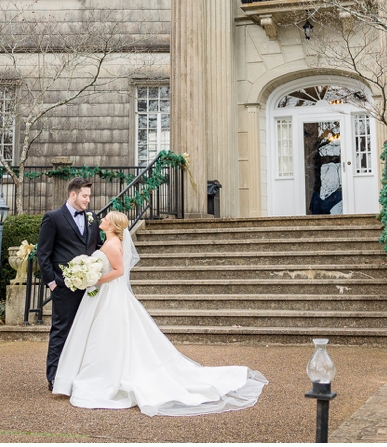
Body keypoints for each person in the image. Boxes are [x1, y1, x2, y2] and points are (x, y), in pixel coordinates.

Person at [52, 210, 267, 416]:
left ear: (113, 225)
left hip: (109, 294)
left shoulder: (114, 244)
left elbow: (119, 271)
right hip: (101, 295)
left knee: (106, 333)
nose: (103, 219)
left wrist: (95, 279)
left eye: (106, 218)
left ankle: (102, 377)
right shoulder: (108, 242)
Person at [37, 177, 101, 390]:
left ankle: (80, 374)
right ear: (73, 194)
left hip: (89, 286)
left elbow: (98, 246)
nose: (88, 200)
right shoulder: (53, 218)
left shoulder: (92, 217)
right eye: (85, 196)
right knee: (61, 329)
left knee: (86, 331)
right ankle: (53, 376)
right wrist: (52, 283)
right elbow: (43, 253)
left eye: (89, 196)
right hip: (64, 286)